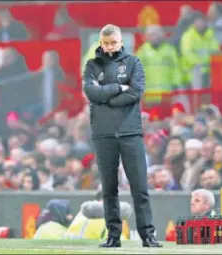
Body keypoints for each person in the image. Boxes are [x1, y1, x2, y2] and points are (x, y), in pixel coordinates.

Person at [82, 24, 162, 248]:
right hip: (103, 134)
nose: (109, 47)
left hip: (130, 133)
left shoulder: (133, 62)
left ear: (121, 42)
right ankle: (113, 236)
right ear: (101, 43)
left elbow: (135, 93)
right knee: (108, 188)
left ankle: (148, 236)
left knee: (140, 187)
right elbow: (90, 92)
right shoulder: (92, 65)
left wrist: (104, 98)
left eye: (113, 43)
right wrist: (118, 87)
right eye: (106, 43)